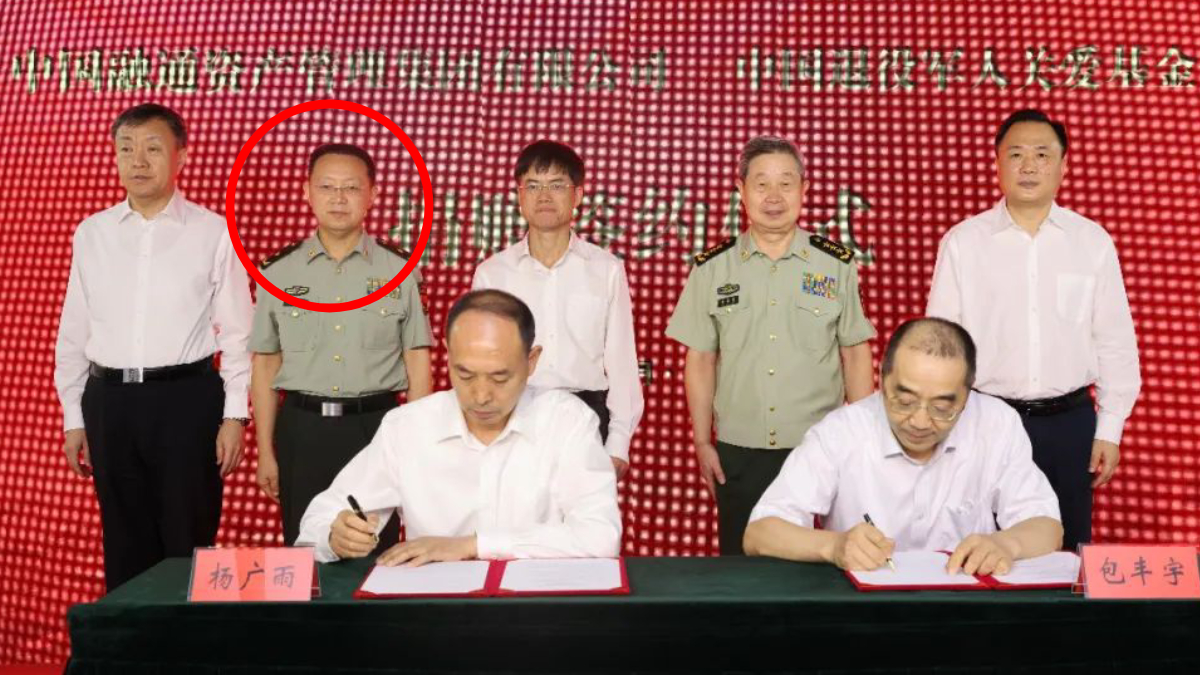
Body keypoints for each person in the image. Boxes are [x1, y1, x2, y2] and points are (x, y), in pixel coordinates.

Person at [54, 103, 252, 591]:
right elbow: (75, 329)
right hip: (109, 403)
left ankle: (186, 638)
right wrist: (74, 416)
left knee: (188, 541)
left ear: (181, 156)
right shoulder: (93, 233)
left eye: (152, 149)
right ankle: (131, 637)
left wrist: (235, 415)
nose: (138, 161)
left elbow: (238, 331)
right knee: (123, 541)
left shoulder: (213, 231)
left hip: (186, 402)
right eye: (126, 149)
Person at [926, 108, 1141, 550]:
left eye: (1042, 154)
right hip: (985, 420)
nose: (1028, 166)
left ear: (1063, 165)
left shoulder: (1091, 241)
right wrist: (946, 425)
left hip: (1069, 424)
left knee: (1066, 551)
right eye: (1016, 154)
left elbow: (1114, 340)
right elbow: (942, 343)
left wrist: (1110, 429)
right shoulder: (965, 241)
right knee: (982, 550)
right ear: (997, 163)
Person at [297, 289, 621, 565]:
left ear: (531, 361)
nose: (481, 396)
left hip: (533, 610)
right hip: (435, 612)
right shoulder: (408, 427)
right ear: (449, 355)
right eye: (465, 375)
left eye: (499, 377)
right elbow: (316, 524)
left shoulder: (566, 422)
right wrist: (335, 537)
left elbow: (601, 536)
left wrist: (473, 545)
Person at [665, 136, 876, 555]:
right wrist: (703, 441)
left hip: (821, 445)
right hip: (739, 449)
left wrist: (865, 438)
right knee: (741, 564)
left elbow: (855, 352)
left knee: (830, 561)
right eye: (761, 184)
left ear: (804, 189)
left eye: (786, 183)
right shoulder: (712, 268)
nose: (774, 196)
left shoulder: (835, 264)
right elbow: (701, 359)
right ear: (741, 191)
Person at [744, 318, 1063, 576]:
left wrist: (1006, 544)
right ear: (883, 380)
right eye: (905, 401)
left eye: (942, 408)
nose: (920, 422)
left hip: (965, 605)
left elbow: (1047, 526)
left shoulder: (996, 423)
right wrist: (834, 546)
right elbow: (759, 534)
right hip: (863, 610)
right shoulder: (841, 431)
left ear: (967, 396)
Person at [250, 143, 433, 547]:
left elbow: (417, 361)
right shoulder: (278, 272)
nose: (338, 198)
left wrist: (415, 446)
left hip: (376, 429)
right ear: (307, 192)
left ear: (372, 195)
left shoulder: (399, 268)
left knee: (375, 550)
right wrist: (265, 449)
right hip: (302, 429)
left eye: (351, 187)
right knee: (306, 552)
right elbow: (264, 365)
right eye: (327, 186)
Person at [472, 140, 643, 479]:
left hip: (586, 419)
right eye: (533, 186)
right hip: (513, 418)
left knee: (580, 513)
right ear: (520, 196)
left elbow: (622, 362)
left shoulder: (606, 269)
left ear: (577, 195)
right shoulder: (492, 273)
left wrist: (618, 443)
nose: (544, 196)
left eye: (557, 185)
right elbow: (479, 363)